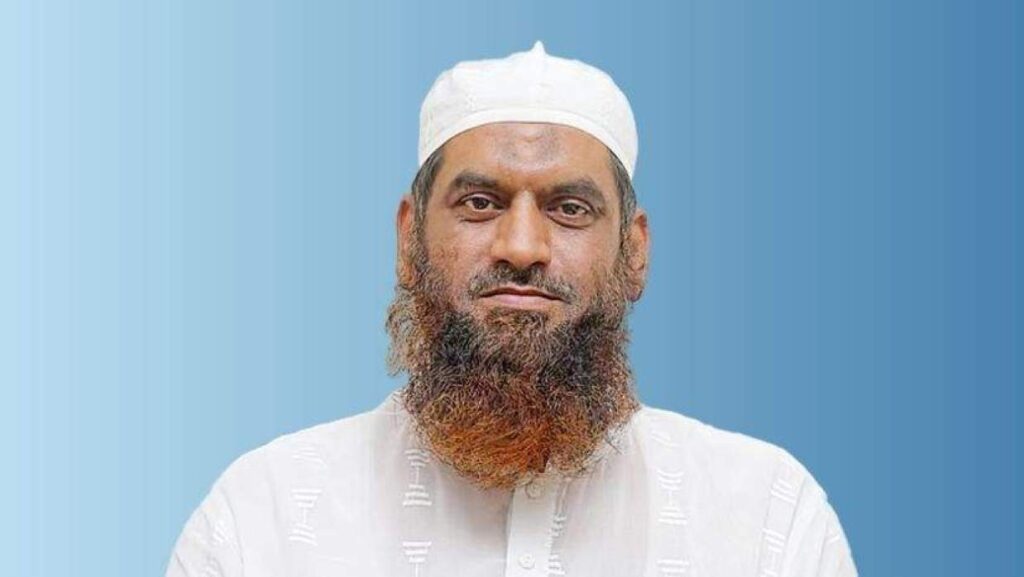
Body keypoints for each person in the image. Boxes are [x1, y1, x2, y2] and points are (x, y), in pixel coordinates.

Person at [165, 41, 857, 577]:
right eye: (480, 203)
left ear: (635, 251)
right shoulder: (264, 517)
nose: (522, 247)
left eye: (570, 208)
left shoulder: (767, 517)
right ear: (409, 239)